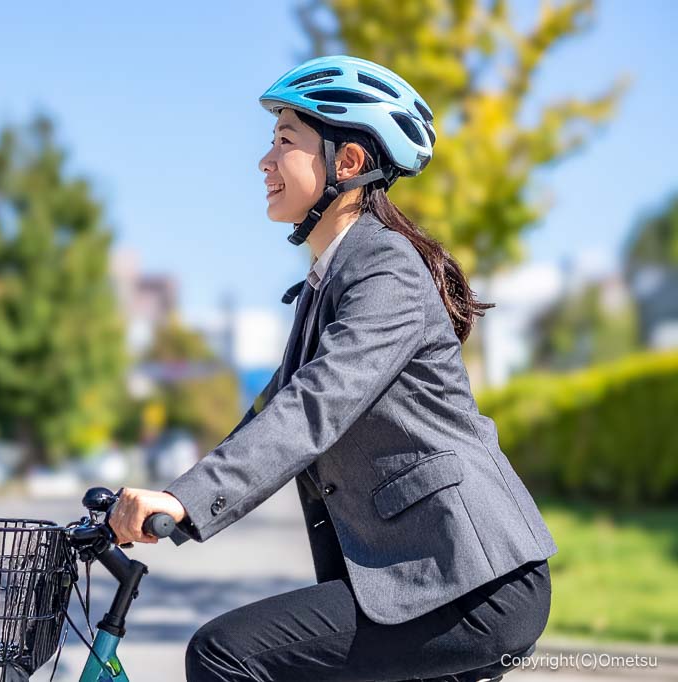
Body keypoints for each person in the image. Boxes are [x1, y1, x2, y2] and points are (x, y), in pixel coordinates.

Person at [108, 55, 556, 681]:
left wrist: (185, 501)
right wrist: (177, 498)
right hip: (427, 576)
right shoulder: (329, 283)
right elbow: (270, 412)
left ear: (346, 162)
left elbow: (314, 406)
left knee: (224, 654)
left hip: (472, 581)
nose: (265, 161)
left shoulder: (386, 269)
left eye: (285, 141)